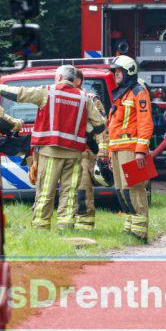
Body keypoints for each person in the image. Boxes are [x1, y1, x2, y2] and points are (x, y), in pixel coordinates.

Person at [0, 65, 106, 230]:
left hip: (50, 152)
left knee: (46, 191)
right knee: (69, 193)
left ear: (60, 77)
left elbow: (20, 94)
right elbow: (100, 125)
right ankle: (65, 227)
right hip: (75, 154)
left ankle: (41, 227)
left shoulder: (48, 92)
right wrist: (87, 129)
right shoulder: (84, 98)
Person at [107, 55, 154, 243]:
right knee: (121, 190)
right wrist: (110, 151)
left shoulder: (138, 92)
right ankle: (130, 226)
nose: (116, 74)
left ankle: (140, 232)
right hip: (117, 149)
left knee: (134, 188)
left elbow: (145, 122)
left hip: (132, 148)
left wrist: (141, 150)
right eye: (115, 72)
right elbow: (114, 125)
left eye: (119, 71)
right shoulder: (121, 93)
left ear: (129, 71)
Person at [73, 69, 109, 230]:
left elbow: (101, 127)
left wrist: (102, 151)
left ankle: (85, 224)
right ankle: (69, 222)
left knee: (83, 188)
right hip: (67, 151)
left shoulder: (91, 99)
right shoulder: (62, 98)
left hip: (86, 151)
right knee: (69, 189)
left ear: (78, 81)